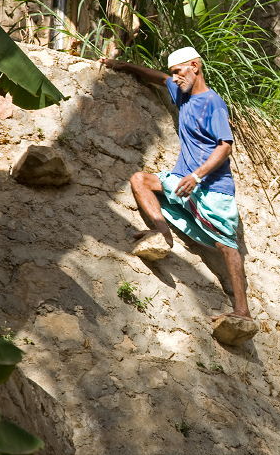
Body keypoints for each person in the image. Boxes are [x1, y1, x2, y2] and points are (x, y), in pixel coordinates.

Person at [101, 47, 253, 324]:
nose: (175, 78)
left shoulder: (213, 103)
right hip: (182, 180)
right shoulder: (181, 93)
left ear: (195, 66)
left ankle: (242, 310)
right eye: (173, 73)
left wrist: (196, 176)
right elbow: (158, 78)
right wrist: (123, 66)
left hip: (213, 187)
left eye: (179, 72)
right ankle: (162, 235)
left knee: (227, 245)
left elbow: (225, 147)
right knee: (140, 180)